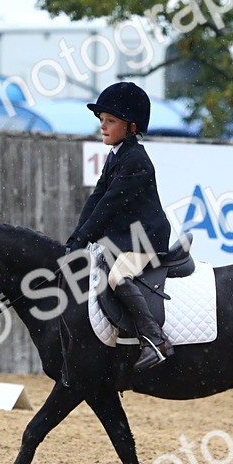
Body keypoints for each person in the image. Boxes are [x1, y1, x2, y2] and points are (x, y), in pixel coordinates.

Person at [64, 82, 173, 371]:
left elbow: (110, 205)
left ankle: (156, 339)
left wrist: (85, 236)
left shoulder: (136, 160)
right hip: (125, 237)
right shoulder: (117, 156)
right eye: (101, 120)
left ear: (132, 127)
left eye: (111, 121)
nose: (103, 126)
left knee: (117, 277)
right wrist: (76, 237)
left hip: (146, 238)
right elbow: (97, 198)